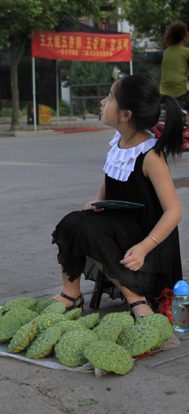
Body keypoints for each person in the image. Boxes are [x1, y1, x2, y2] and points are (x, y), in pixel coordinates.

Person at [51, 75, 183, 320]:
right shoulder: (118, 143)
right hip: (118, 223)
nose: (103, 102)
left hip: (145, 237)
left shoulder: (151, 155)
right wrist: (97, 201)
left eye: (110, 97)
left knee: (91, 232)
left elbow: (174, 211)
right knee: (71, 222)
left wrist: (144, 248)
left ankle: (137, 299)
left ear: (126, 115)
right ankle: (71, 294)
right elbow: (109, 179)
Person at [160, 20, 189, 122]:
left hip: (164, 90)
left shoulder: (167, 52)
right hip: (179, 89)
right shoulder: (186, 52)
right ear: (184, 36)